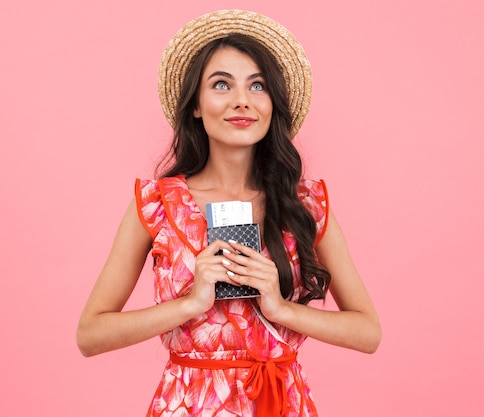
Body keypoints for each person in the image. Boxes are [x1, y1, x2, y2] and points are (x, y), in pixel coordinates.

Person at [77, 9, 381, 417]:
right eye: (222, 84)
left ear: (272, 103)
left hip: (279, 403)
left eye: (257, 86)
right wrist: (190, 304)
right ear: (196, 106)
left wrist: (279, 307)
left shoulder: (304, 204)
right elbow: (90, 334)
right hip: (188, 406)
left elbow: (368, 332)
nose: (242, 100)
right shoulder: (155, 204)